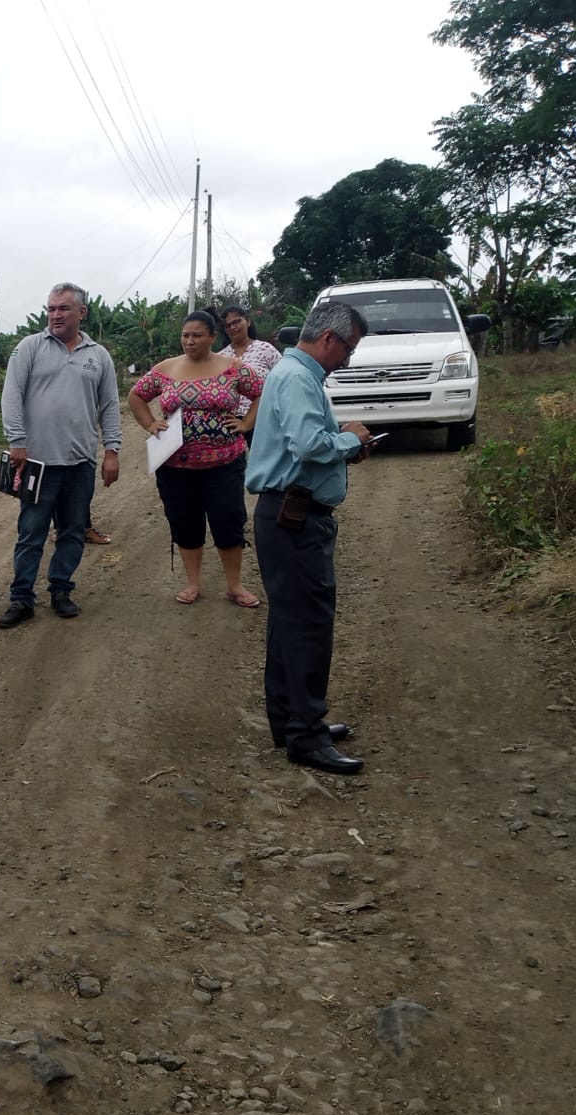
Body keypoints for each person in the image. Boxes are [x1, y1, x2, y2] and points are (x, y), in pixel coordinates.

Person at [245, 300, 376, 774]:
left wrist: (342, 445)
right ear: (328, 338)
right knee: (307, 627)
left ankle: (291, 721)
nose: (348, 359)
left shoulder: (292, 374)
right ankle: (306, 734)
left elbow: (301, 443)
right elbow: (308, 445)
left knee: (289, 623)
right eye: (349, 349)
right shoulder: (299, 377)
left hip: (286, 515)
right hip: (295, 519)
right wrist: (351, 439)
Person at [0, 283, 122, 627]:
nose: (55, 315)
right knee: (31, 533)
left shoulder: (98, 355)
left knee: (72, 531)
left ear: (82, 313)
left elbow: (110, 406)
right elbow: (11, 395)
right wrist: (17, 441)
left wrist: (112, 450)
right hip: (37, 463)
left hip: (80, 463)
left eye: (63, 308)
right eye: (51, 308)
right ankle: (22, 598)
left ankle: (61, 590)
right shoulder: (30, 347)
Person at [129, 311, 266, 608]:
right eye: (185, 335)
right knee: (185, 522)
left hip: (225, 464)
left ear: (213, 337)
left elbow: (261, 393)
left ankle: (235, 586)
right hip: (175, 466)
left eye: (197, 335)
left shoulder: (233, 368)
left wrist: (246, 424)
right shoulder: (166, 369)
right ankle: (193, 583)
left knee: (228, 520)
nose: (189, 341)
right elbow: (136, 396)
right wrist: (150, 424)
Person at [217, 304, 282, 425]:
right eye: (227, 326)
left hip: (264, 419)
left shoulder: (265, 349)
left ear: (248, 322)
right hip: (230, 422)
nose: (232, 327)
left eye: (236, 321)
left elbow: (283, 379)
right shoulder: (221, 357)